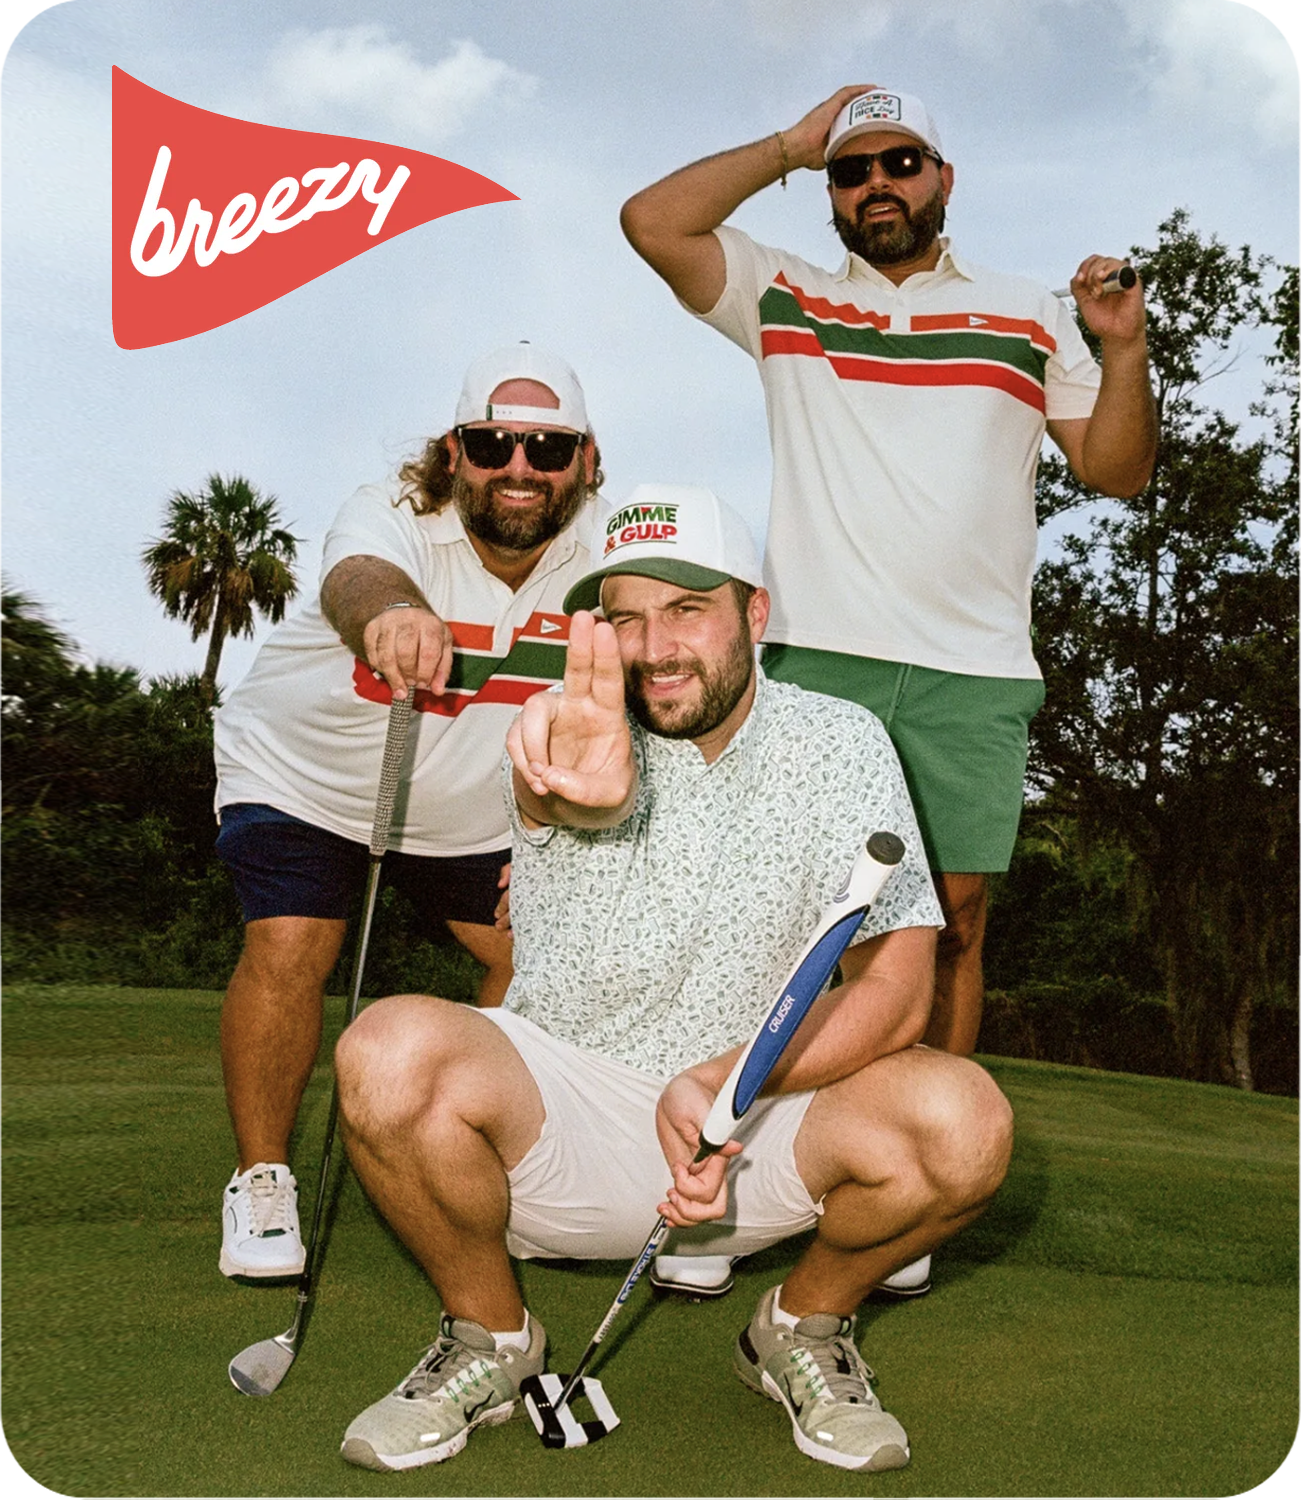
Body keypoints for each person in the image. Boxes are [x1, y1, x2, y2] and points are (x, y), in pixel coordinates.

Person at [333, 485, 1014, 1474]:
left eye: (685, 610)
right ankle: (489, 1337)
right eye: (623, 617)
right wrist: (565, 792)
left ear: (753, 614)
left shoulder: (842, 742)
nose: (652, 646)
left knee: (963, 1121)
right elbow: (559, 788)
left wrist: (726, 1082)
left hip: (753, 1125)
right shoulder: (564, 729)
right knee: (385, 1052)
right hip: (556, 1117)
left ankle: (800, 1326)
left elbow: (898, 987)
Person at [620, 86, 1157, 1061]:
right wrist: (789, 141)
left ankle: (916, 1152)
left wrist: (1122, 353)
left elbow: (1116, 469)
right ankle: (747, 1157)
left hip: (971, 671)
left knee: (950, 927)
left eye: (898, 162)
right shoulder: (780, 293)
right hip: (817, 657)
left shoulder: (1029, 317)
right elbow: (651, 220)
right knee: (783, 921)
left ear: (941, 178)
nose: (874, 183)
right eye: (849, 169)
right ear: (827, 191)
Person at [210, 343, 604, 1280]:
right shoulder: (390, 513)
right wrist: (388, 613)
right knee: (293, 943)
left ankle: (494, 1163)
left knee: (528, 957)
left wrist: (565, 839)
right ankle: (262, 1181)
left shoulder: (602, 555)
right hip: (302, 775)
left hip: (466, 809)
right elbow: (358, 580)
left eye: (547, 450)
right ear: (454, 452)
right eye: (493, 443)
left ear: (584, 462)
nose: (519, 466)